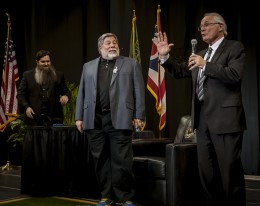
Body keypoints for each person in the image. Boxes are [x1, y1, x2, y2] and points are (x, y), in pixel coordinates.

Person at [152, 12, 246, 206]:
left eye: (207, 24)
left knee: (229, 172)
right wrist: (164, 57)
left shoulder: (234, 47)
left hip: (226, 120)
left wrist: (206, 65)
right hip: (202, 120)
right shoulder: (201, 54)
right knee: (207, 172)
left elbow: (235, 74)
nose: (202, 28)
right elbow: (180, 71)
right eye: (200, 26)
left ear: (221, 27)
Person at [75, 33, 145, 206]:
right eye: (108, 43)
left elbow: (139, 91)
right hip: (94, 120)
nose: (112, 45)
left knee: (122, 161)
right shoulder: (88, 66)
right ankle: (106, 196)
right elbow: (82, 93)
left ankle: (125, 197)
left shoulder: (130, 64)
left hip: (121, 118)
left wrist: (139, 114)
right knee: (100, 160)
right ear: (100, 48)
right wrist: (79, 117)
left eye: (115, 42)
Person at [17, 50, 70, 126]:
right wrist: (27, 107)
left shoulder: (59, 75)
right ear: (37, 62)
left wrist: (66, 96)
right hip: (33, 119)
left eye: (48, 61)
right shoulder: (27, 75)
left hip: (54, 119)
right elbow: (20, 95)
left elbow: (66, 92)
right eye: (43, 61)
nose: (46, 64)